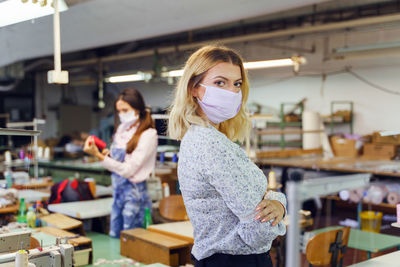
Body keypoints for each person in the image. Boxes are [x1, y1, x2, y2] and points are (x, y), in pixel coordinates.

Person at [168, 45, 286, 267]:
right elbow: (258, 230)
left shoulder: (202, 137)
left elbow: (256, 209)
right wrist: (279, 203)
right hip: (235, 261)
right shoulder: (211, 144)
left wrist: (276, 203)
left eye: (237, 84)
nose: (231, 92)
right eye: (220, 83)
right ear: (194, 87)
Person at [84, 88, 157, 238]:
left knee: (132, 240)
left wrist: (98, 156)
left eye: (125, 110)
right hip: (118, 194)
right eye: (119, 111)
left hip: (135, 196)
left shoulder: (148, 134)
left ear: (137, 109)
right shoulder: (121, 130)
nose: (122, 114)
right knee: (115, 236)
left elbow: (129, 170)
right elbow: (120, 159)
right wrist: (107, 154)